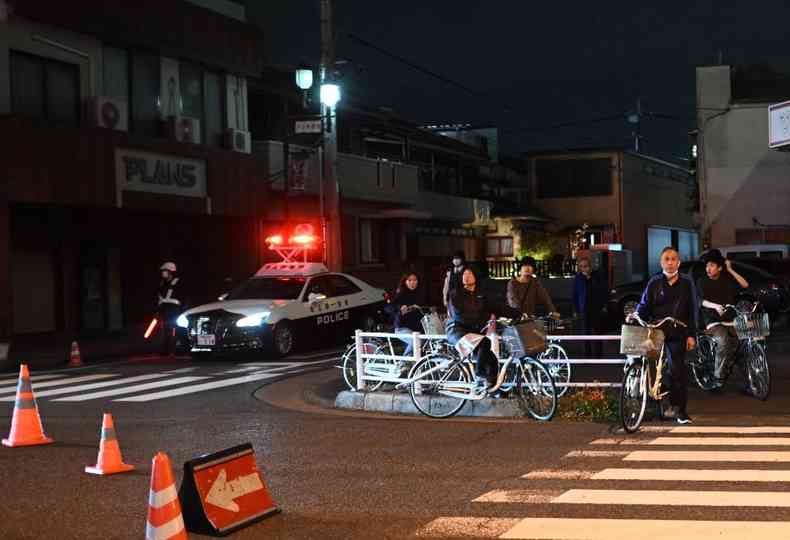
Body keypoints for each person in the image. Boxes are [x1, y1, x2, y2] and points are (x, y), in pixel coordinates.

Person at [632, 246, 698, 424]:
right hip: (656, 331)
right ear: (661, 262)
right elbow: (644, 306)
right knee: (648, 367)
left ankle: (679, 410)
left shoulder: (687, 283)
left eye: (673, 259)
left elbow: (693, 310)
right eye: (666, 259)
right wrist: (635, 315)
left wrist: (692, 334)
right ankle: (651, 406)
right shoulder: (654, 283)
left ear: (679, 262)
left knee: (677, 370)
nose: (670, 262)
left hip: (678, 331)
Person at [446, 268, 521, 391]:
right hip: (457, 330)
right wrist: (484, 317)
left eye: (470, 273)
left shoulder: (481, 295)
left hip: (473, 333)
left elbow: (498, 307)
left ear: (475, 277)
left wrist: (518, 314)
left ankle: (492, 388)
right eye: (464, 274)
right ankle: (480, 374)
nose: (466, 276)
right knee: (485, 342)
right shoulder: (455, 294)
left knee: (492, 359)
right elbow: (458, 316)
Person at [696, 249, 749, 391]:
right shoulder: (702, 281)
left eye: (712, 265)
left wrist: (730, 269)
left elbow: (745, 285)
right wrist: (715, 306)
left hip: (729, 320)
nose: (708, 268)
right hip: (712, 321)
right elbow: (700, 301)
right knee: (723, 339)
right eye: (707, 265)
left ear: (720, 267)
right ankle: (718, 377)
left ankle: (749, 380)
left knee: (743, 341)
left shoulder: (726, 280)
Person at [572, 257, 609, 358]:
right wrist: (575, 310)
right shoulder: (578, 278)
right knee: (585, 332)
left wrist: (604, 305)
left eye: (586, 266)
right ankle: (587, 355)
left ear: (590, 266)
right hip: (584, 309)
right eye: (582, 267)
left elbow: (604, 291)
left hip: (597, 308)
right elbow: (574, 294)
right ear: (580, 268)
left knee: (598, 332)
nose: (585, 269)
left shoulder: (597, 276)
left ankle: (598, 355)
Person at [387, 272, 424, 356]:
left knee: (425, 343)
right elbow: (388, 308)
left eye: (415, 280)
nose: (412, 282)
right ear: (405, 282)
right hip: (402, 328)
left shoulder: (420, 294)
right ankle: (403, 365)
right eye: (409, 280)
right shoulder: (401, 293)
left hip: (418, 328)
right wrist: (400, 308)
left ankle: (416, 366)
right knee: (416, 342)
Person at [156, 261, 182, 357]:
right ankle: (167, 350)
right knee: (166, 331)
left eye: (165, 271)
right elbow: (160, 298)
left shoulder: (178, 283)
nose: (163, 273)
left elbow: (182, 298)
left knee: (177, 330)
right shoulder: (162, 284)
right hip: (165, 311)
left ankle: (178, 349)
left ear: (170, 272)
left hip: (175, 311)